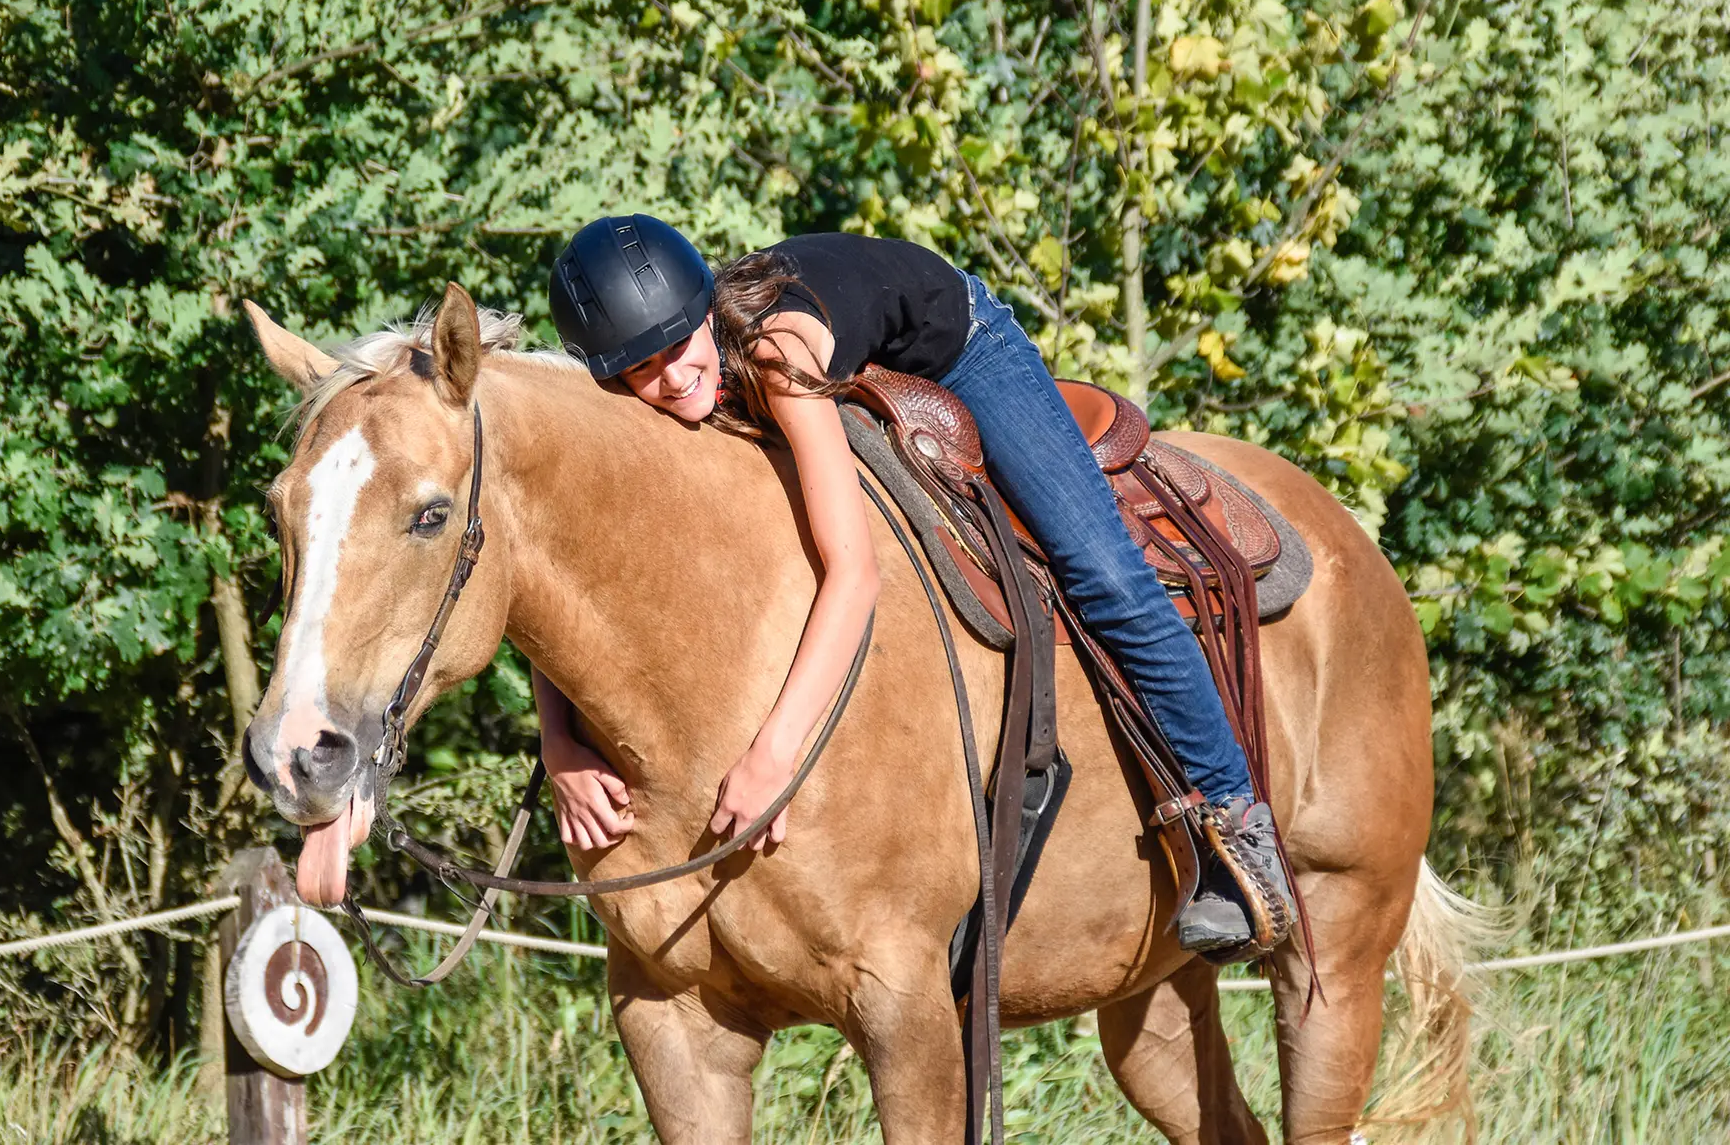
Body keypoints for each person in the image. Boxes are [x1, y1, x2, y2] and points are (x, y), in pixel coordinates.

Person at [534, 214, 1294, 957]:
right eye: (641, 368)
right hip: (845, 347)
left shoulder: (776, 352)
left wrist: (774, 755)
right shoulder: (657, 394)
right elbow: (577, 574)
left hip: (962, 349)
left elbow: (854, 573)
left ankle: (1237, 821)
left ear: (704, 312)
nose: (670, 376)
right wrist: (561, 743)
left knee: (1104, 574)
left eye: (678, 345)